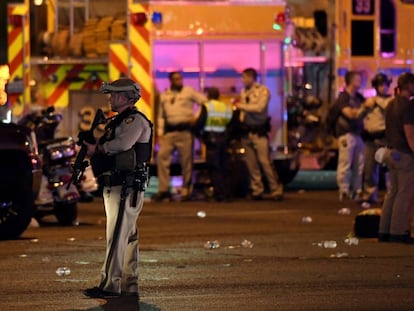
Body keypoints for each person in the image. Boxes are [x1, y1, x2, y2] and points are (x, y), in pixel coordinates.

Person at [83, 78, 153, 299]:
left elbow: (122, 145)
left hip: (125, 186)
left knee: (116, 235)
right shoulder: (121, 120)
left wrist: (98, 148)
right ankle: (128, 284)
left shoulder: (135, 120)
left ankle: (109, 285)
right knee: (127, 236)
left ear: (124, 97)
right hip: (118, 184)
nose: (110, 98)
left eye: (114, 94)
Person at [152, 71, 207, 202]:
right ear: (170, 80)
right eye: (176, 79)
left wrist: (197, 117)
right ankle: (164, 190)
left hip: (185, 131)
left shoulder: (188, 91)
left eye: (180, 78)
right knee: (162, 157)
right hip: (169, 132)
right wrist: (159, 133)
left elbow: (204, 102)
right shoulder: (165, 95)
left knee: (186, 162)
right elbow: (160, 115)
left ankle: (186, 190)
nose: (179, 81)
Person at [235, 68, 283, 201]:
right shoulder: (244, 92)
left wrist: (241, 106)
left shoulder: (262, 91)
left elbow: (259, 108)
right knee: (251, 163)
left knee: (265, 161)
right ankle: (257, 189)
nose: (243, 80)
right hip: (247, 131)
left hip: (259, 131)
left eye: (244, 78)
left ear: (251, 77)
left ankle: (276, 189)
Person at [378, 72, 414, 244]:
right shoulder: (408, 106)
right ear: (409, 86)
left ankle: (384, 230)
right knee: (404, 194)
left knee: (392, 193)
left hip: (390, 152)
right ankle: (398, 232)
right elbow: (410, 135)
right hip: (404, 154)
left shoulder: (391, 104)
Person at [360, 73, 392, 207]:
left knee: (390, 169)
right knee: (370, 169)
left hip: (384, 138)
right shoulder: (370, 101)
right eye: (379, 85)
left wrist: (376, 101)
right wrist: (365, 106)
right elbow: (359, 115)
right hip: (370, 138)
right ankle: (369, 195)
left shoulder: (390, 100)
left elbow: (388, 108)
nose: (382, 88)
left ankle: (391, 195)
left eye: (384, 85)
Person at [334, 71, 365, 201]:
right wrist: (362, 110)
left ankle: (357, 190)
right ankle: (344, 190)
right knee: (345, 162)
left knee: (360, 164)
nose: (360, 81)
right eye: (358, 78)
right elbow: (349, 114)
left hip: (358, 134)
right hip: (346, 134)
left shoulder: (359, 97)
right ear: (350, 81)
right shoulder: (343, 97)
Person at [202, 87, 233, 201]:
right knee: (224, 166)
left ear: (208, 95)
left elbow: (201, 121)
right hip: (223, 139)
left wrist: (199, 135)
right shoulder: (225, 107)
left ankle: (219, 194)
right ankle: (227, 193)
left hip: (212, 139)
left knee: (214, 167)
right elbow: (231, 123)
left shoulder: (207, 106)